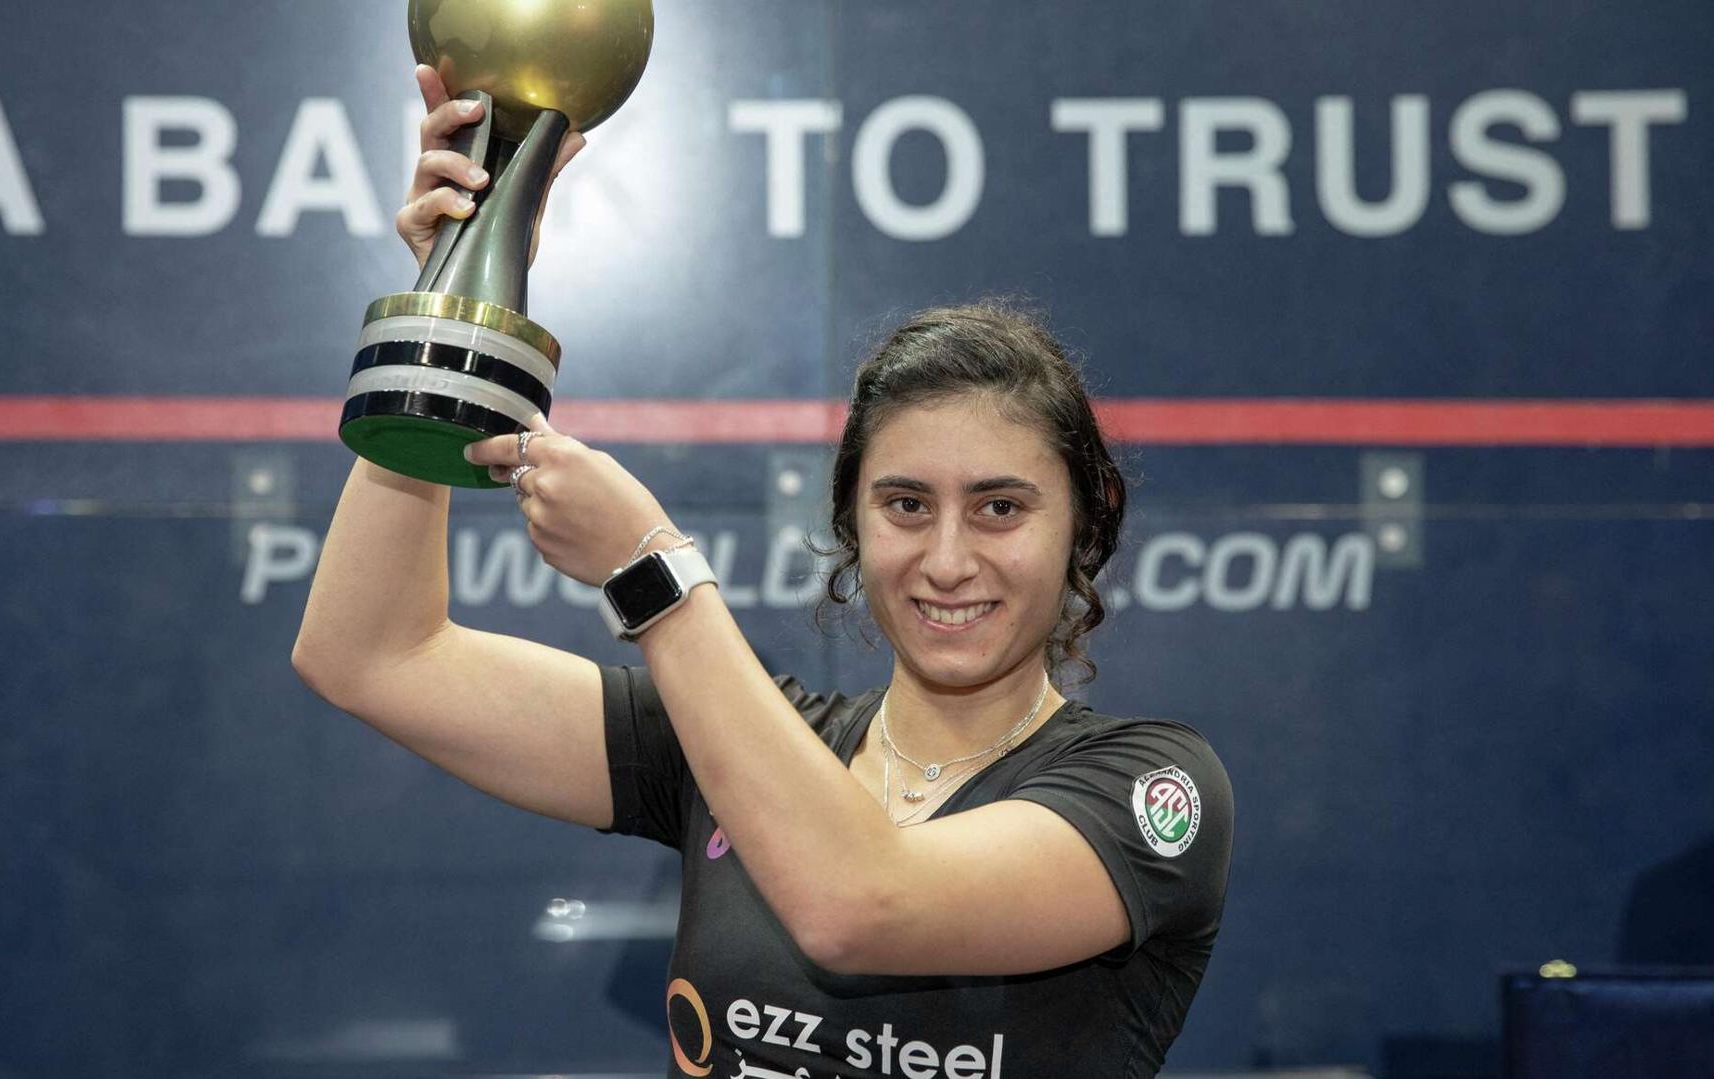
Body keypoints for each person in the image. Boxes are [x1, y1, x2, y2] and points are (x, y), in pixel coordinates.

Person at [293, 66, 1233, 1079]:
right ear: (851, 521)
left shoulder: (1151, 787)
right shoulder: (737, 743)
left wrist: (651, 571)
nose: (948, 559)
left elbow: (862, 904)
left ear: (1085, 522)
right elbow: (372, 653)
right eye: (906, 505)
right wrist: (455, 301)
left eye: (1001, 507)